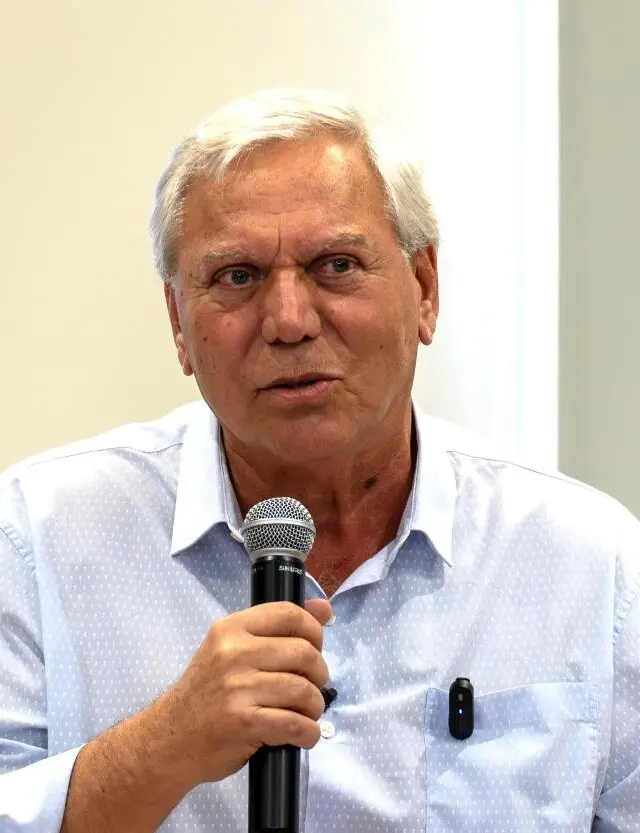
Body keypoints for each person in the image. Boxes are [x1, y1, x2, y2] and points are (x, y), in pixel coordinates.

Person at [0, 88, 638, 833]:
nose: (289, 320)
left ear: (425, 288)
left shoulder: (587, 562)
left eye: (336, 264)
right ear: (177, 321)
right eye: (237, 276)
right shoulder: (36, 538)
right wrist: (165, 745)